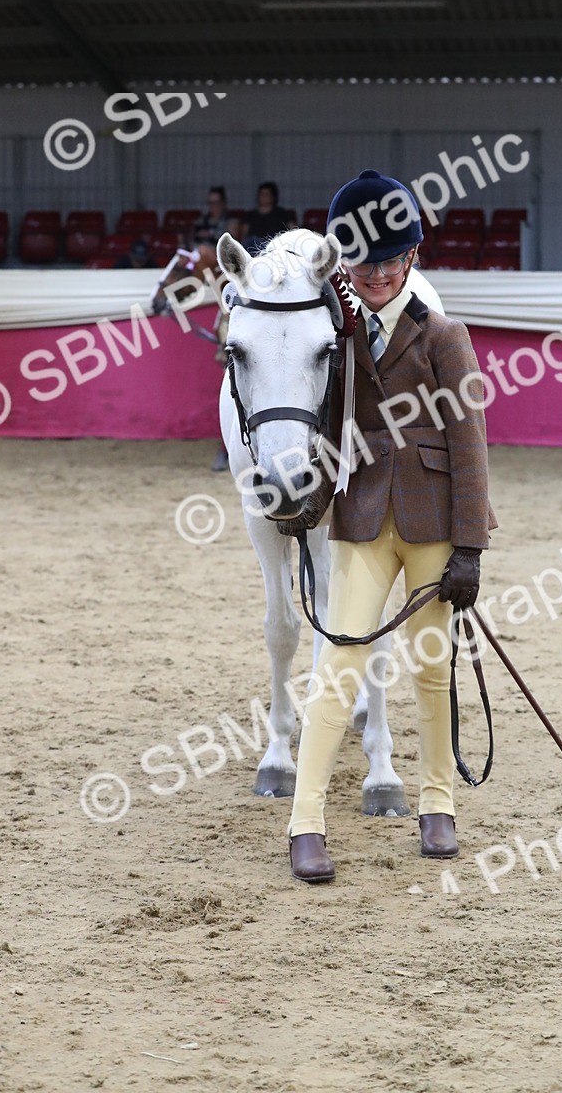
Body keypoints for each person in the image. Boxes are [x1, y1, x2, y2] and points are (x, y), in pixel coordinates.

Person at [278, 169, 497, 884]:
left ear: (410, 259)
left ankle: (439, 806)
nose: (375, 272)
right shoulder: (339, 338)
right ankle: (305, 821)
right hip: (364, 517)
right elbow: (322, 422)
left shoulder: (445, 335)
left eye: (388, 258)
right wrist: (308, 496)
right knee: (337, 668)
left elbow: (470, 444)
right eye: (362, 260)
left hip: (434, 524)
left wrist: (470, 546)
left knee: (432, 671)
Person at [192, 187, 239, 276]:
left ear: (223, 203)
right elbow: (192, 238)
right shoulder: (201, 221)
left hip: (221, 259)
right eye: (211, 203)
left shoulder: (231, 221)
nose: (213, 206)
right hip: (198, 256)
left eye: (216, 202)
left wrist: (211, 234)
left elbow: (232, 240)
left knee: (203, 251)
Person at [241, 181, 297, 253]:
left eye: (266, 194)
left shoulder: (282, 214)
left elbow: (293, 231)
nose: (263, 197)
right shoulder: (250, 215)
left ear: (273, 197)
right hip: (254, 247)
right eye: (261, 194)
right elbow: (244, 235)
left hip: (275, 247)